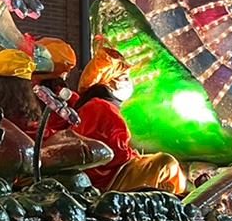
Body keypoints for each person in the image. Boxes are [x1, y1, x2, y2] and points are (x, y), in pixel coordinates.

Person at [73, 37, 186, 196]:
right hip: (111, 178)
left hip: (103, 175)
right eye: (125, 78)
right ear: (110, 83)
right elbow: (116, 153)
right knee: (166, 163)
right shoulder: (103, 107)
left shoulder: (91, 105)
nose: (129, 83)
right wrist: (134, 157)